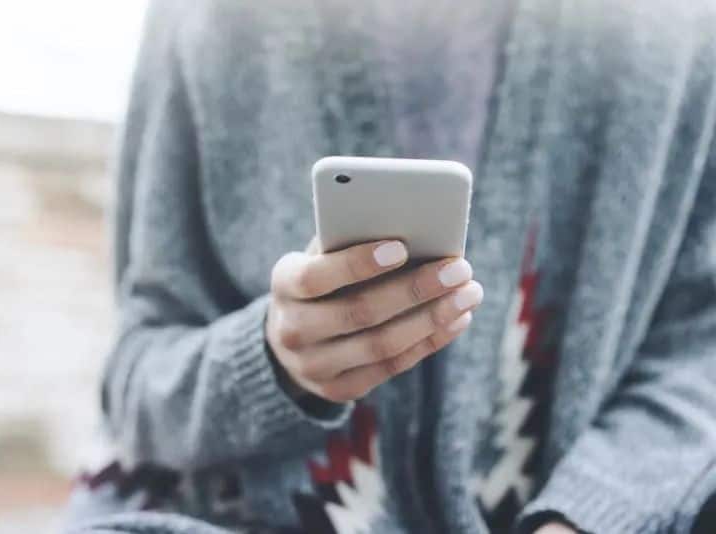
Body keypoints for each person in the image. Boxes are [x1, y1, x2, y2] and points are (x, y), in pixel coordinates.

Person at [65, 0, 716, 533]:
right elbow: (137, 383)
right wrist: (270, 363)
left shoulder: (676, 35)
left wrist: (591, 515)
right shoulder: (206, 20)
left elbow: (698, 352)